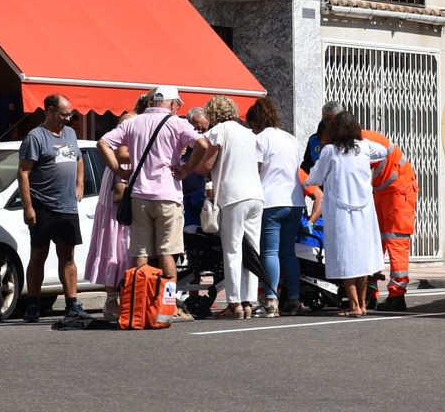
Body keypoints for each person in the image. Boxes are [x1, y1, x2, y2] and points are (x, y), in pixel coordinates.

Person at [98, 86, 209, 323]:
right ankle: (167, 308)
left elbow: (103, 143)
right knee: (167, 252)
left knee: (140, 253)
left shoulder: (133, 123)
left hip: (139, 196)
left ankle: (139, 305)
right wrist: (187, 169)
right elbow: (203, 145)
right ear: (172, 104)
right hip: (168, 195)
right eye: (177, 105)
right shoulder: (177, 123)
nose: (178, 108)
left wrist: (118, 169)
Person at [178, 95, 265, 319]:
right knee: (252, 249)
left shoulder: (218, 131)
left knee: (232, 249)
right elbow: (258, 164)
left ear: (213, 114)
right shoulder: (249, 133)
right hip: (256, 195)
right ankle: (249, 300)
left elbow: (205, 165)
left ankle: (235, 303)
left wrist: (187, 167)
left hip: (234, 195)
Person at [304, 112, 389, 317]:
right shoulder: (365, 147)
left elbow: (315, 177)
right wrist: (363, 141)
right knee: (361, 258)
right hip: (364, 213)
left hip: (341, 213)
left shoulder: (330, 151)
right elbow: (385, 150)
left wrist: (305, 182)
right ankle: (362, 304)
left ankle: (353, 306)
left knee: (345, 258)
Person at [18, 94, 90, 322]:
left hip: (67, 206)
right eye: (64, 114)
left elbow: (78, 159)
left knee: (68, 256)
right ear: (50, 111)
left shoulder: (69, 134)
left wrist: (80, 184)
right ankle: (33, 305)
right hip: (43, 206)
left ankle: (72, 304)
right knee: (38, 256)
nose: (68, 119)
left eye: (70, 114)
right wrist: (28, 207)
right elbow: (23, 173)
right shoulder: (35, 137)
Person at [84, 90, 155, 320]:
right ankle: (111, 299)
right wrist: (151, 153)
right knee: (115, 239)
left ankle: (129, 294)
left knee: (132, 239)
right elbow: (119, 153)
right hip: (121, 180)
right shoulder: (130, 120)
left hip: (136, 180)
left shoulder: (149, 122)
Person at [246, 97, 306, 318]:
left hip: (270, 200)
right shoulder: (291, 139)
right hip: (295, 200)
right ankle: (294, 300)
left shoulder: (259, 139)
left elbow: (255, 169)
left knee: (270, 251)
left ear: (256, 121)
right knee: (288, 252)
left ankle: (271, 301)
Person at [360, 130, 419, 312]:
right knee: (375, 241)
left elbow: (364, 179)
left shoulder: (363, 144)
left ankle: (397, 296)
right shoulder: (356, 141)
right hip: (382, 189)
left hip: (399, 189)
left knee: (395, 241)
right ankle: (370, 293)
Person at [301, 100, 344, 173]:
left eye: (331, 121)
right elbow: (306, 166)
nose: (327, 124)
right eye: (325, 120)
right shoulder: (314, 139)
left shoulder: (348, 141)